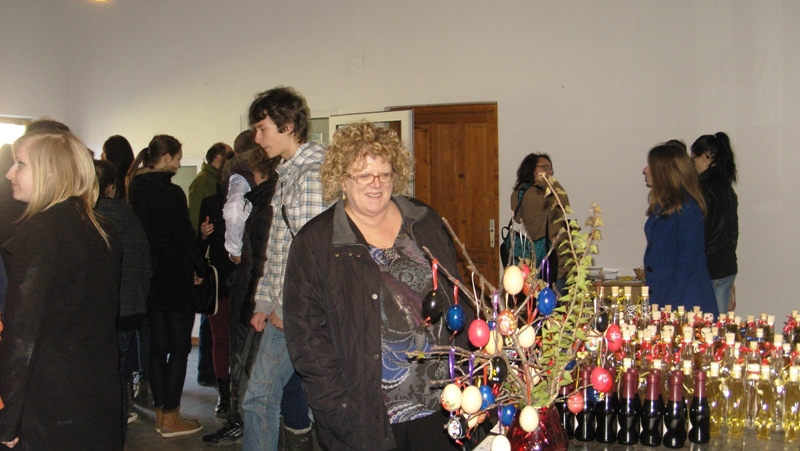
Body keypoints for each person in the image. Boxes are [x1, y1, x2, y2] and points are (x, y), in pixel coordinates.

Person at [284, 122, 473, 450]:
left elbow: (457, 297)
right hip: (365, 417)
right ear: (341, 179)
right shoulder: (315, 243)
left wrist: (472, 375)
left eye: (384, 174)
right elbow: (306, 337)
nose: (376, 183)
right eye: (364, 175)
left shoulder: (423, 221)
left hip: (443, 405)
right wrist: (337, 407)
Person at [0, 129, 122, 449]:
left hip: (49, 404)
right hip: (97, 393)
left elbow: (23, 335)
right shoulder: (101, 228)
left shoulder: (40, 232)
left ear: (50, 170)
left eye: (20, 164)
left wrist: (8, 419)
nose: (10, 173)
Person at [242, 86, 323, 451]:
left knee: (259, 399)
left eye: (263, 129)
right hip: (286, 307)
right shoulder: (289, 172)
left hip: (298, 310)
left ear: (288, 126)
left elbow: (309, 258)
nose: (257, 139)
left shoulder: (310, 175)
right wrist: (264, 301)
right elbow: (277, 247)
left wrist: (284, 307)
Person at [127, 135, 208, 438]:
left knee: (158, 348)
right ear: (166, 157)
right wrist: (201, 267)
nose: (178, 163)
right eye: (177, 158)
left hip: (148, 279)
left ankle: (161, 412)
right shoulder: (171, 192)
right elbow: (183, 235)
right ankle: (172, 417)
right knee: (180, 347)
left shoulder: (133, 187)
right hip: (174, 278)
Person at [203, 131, 276, 447]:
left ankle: (239, 421)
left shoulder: (241, 177)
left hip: (250, 276)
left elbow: (233, 210)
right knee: (259, 354)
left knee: (243, 352)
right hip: (266, 275)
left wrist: (234, 250)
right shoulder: (272, 182)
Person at [94, 159, 152, 442]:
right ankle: (117, 435)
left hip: (96, 313)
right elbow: (145, 266)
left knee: (97, 378)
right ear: (111, 187)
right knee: (118, 374)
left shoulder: (85, 220)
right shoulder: (130, 217)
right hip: (129, 310)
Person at [642, 142, 718, 317]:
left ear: (666, 172)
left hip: (685, 301)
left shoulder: (687, 208)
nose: (645, 170)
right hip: (667, 296)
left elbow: (686, 262)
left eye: (651, 166)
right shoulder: (666, 205)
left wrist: (668, 308)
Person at [189, 142, 232, 389]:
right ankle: (220, 385)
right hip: (219, 275)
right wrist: (202, 235)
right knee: (218, 335)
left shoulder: (246, 201)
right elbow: (196, 232)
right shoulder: (207, 194)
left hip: (230, 274)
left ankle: (224, 384)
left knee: (222, 334)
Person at [690, 132, 739, 313]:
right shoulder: (726, 187)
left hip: (709, 266)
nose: (692, 165)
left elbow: (699, 231)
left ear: (705, 157)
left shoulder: (702, 189)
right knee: (719, 321)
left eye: (693, 159)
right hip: (727, 264)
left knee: (706, 323)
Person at [510, 153, 571, 291]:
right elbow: (564, 204)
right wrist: (549, 181)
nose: (550, 172)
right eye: (546, 167)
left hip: (535, 256)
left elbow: (517, 217)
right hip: (554, 258)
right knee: (556, 299)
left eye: (551, 169)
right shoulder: (541, 193)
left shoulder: (519, 192)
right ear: (532, 169)